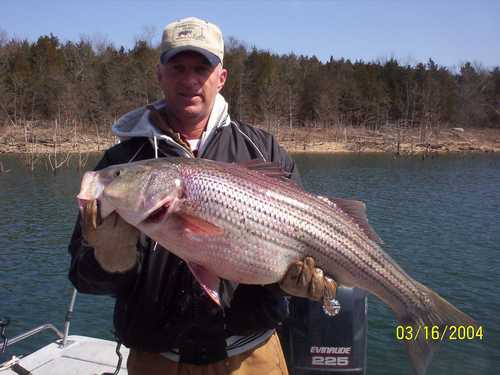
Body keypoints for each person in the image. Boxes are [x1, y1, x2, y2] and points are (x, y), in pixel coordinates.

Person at [69, 17, 337, 375]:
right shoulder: (122, 162)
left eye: (201, 68)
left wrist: (291, 285)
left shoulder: (263, 149)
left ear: (221, 77)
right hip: (157, 361)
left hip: (252, 358)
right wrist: (110, 259)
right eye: (177, 67)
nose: (190, 80)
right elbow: (82, 277)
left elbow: (295, 249)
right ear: (159, 75)